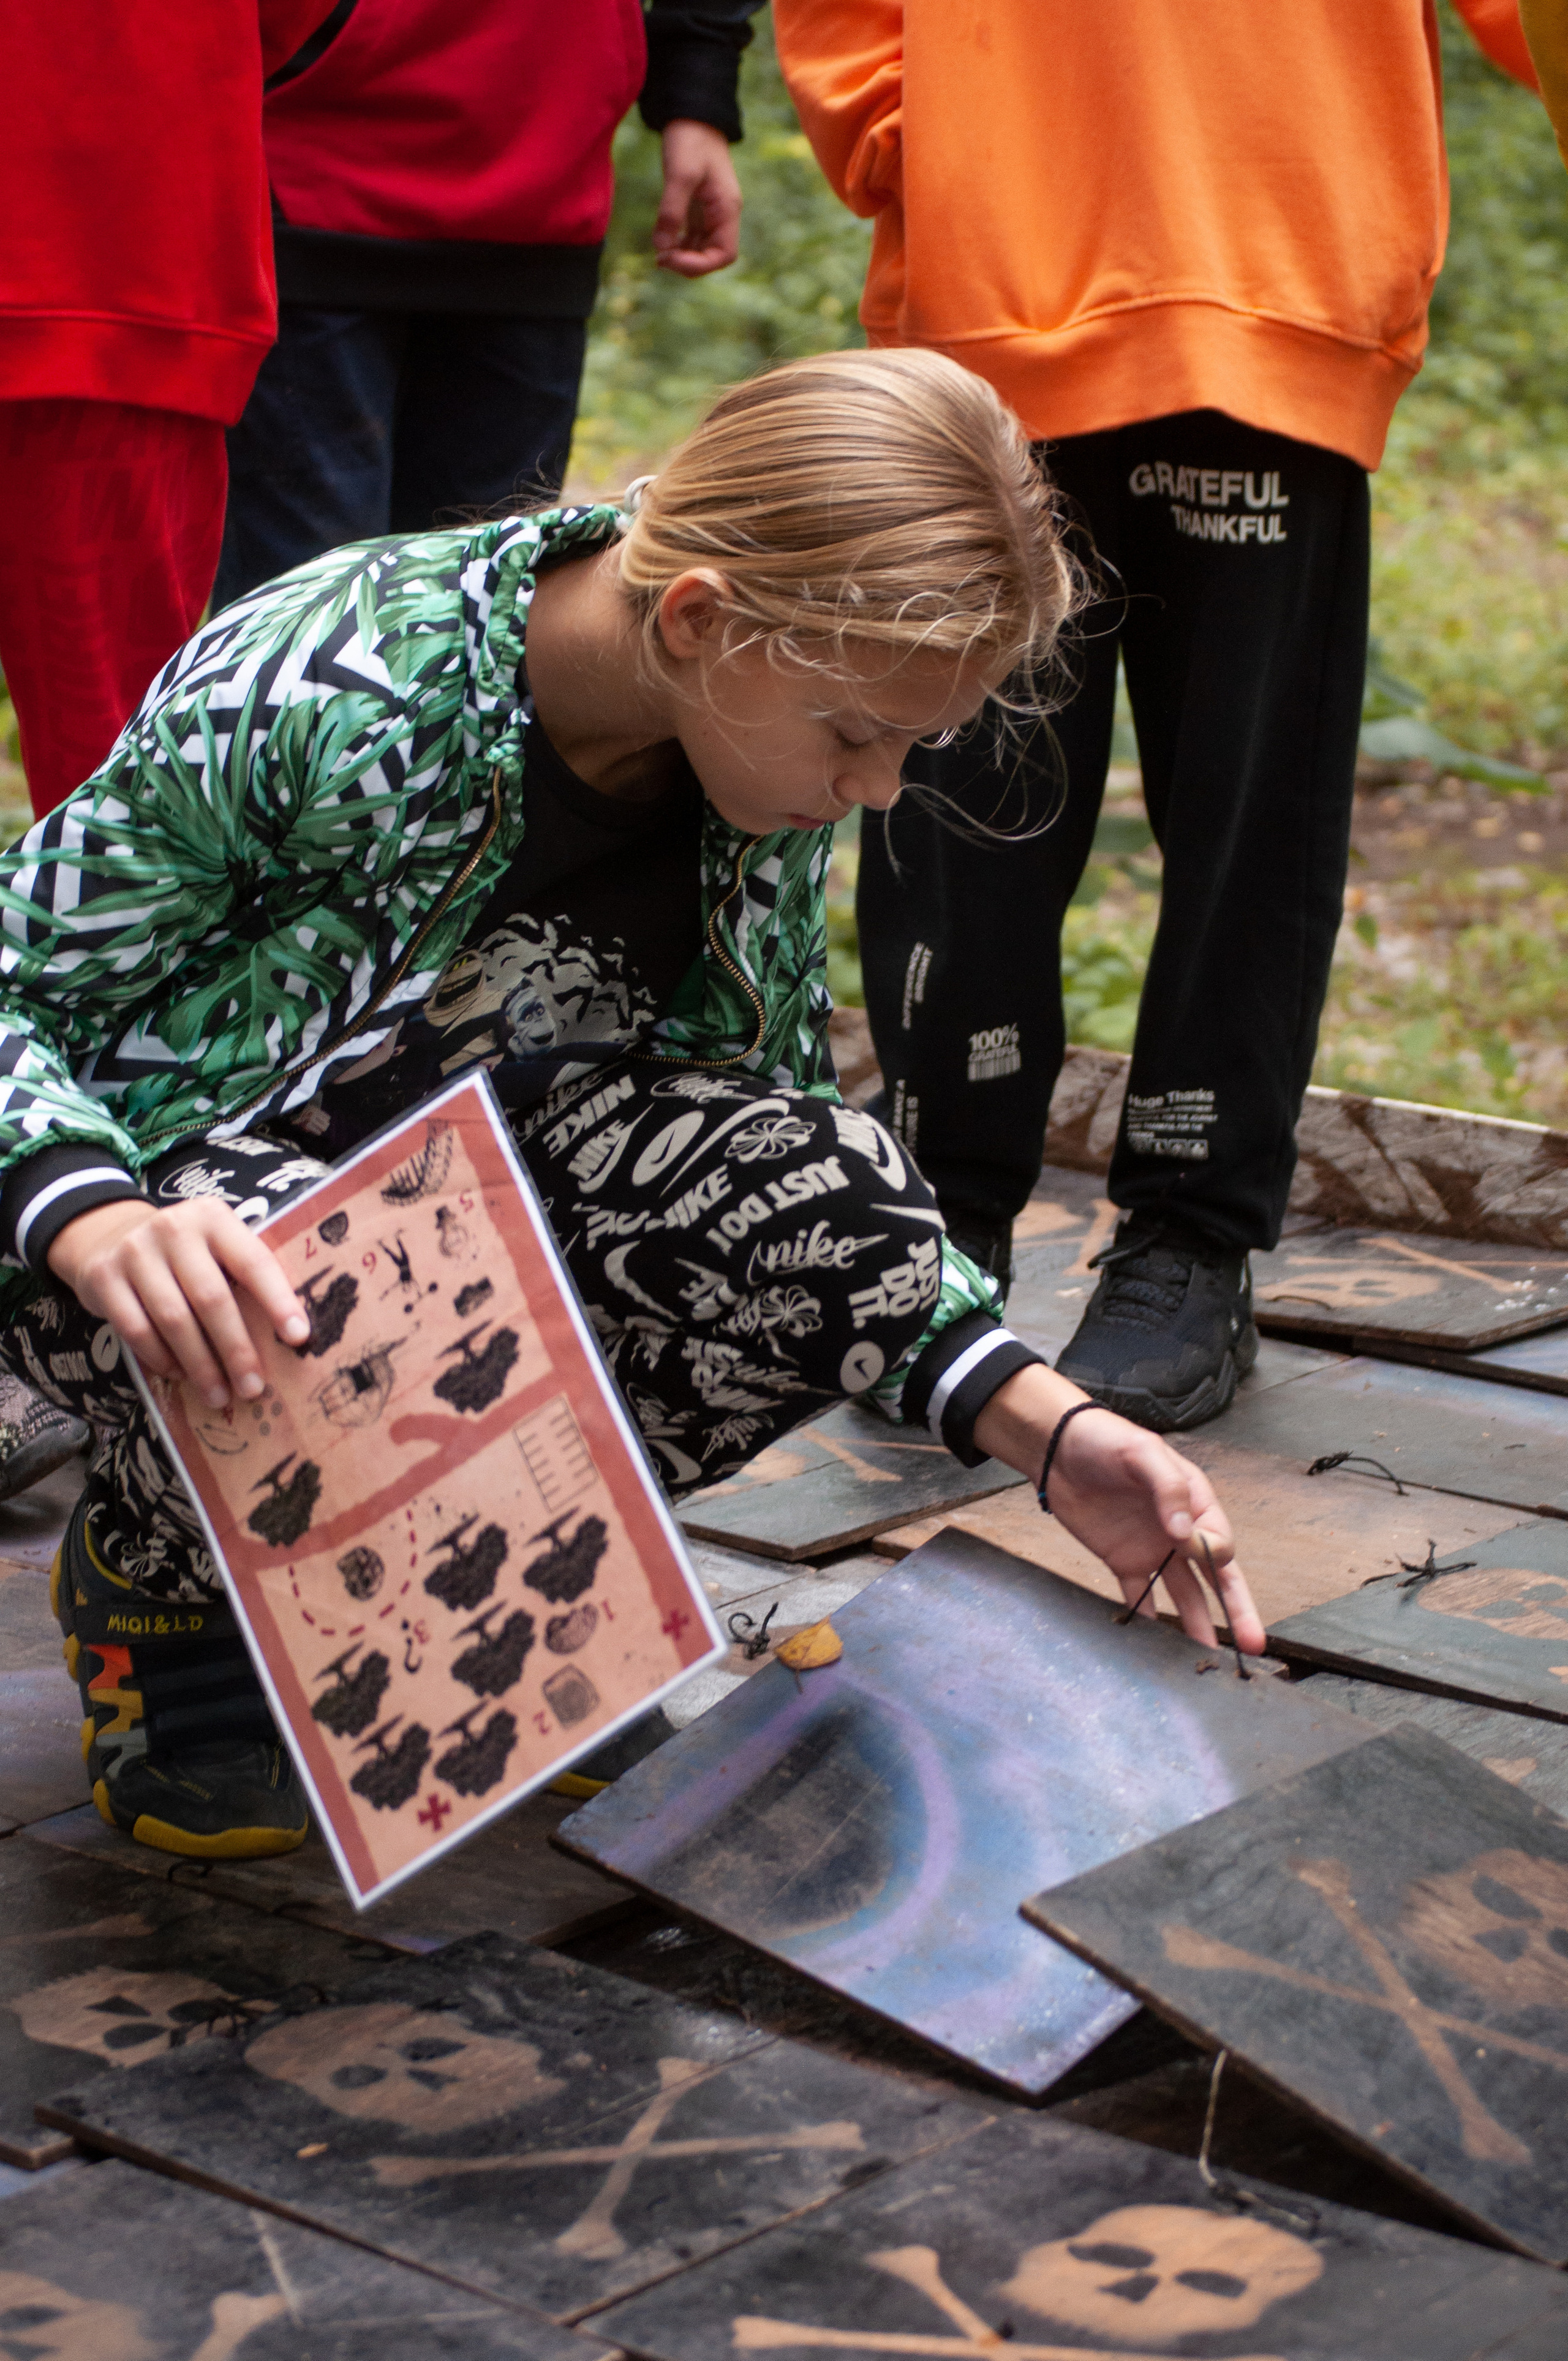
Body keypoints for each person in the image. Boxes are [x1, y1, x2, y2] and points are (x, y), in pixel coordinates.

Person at [0, 352, 1261, 1860]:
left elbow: (768, 1131)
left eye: (907, 748)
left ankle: (522, 1570)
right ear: (697, 617)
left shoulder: (746, 753)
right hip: (167, 1237)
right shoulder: (331, 675)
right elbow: (20, 987)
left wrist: (1047, 1427)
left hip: (446, 1232)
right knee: (335, 1280)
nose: (872, 791)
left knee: (832, 1186)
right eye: (854, 734)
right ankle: (160, 1580)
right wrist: (89, 1206)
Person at [775, 0, 1542, 1435]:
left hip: (1276, 267)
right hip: (990, 288)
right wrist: (914, 136)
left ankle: (1189, 1243)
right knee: (952, 800)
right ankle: (940, 1224)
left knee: (1247, 816)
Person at [0, 0, 339, 1498]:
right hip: (127, 228)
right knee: (134, 847)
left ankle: (108, 1294)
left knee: (140, 852)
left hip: (127, 251)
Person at [214, 0, 764, 609]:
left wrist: (697, 81)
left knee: (481, 625)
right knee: (300, 634)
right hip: (305, 166)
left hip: (543, 178)